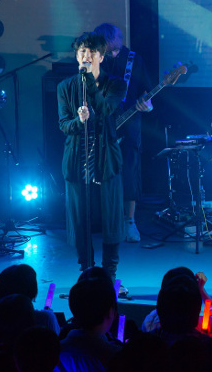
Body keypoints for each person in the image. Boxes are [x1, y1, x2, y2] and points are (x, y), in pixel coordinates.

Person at [57, 32, 126, 276]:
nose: (86, 56)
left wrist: (88, 81)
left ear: (101, 57)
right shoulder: (65, 87)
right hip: (77, 160)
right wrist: (79, 121)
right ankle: (86, 269)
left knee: (111, 216)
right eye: (82, 52)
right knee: (80, 218)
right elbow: (64, 124)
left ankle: (109, 272)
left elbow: (106, 109)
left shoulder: (116, 84)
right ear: (77, 56)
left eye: (91, 52)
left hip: (106, 159)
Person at [94, 23, 153, 243]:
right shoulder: (96, 60)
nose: (106, 46)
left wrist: (146, 104)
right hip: (103, 124)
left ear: (116, 39)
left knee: (129, 172)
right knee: (103, 174)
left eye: (108, 42)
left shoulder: (134, 60)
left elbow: (146, 91)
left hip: (129, 124)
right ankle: (109, 220)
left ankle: (130, 221)